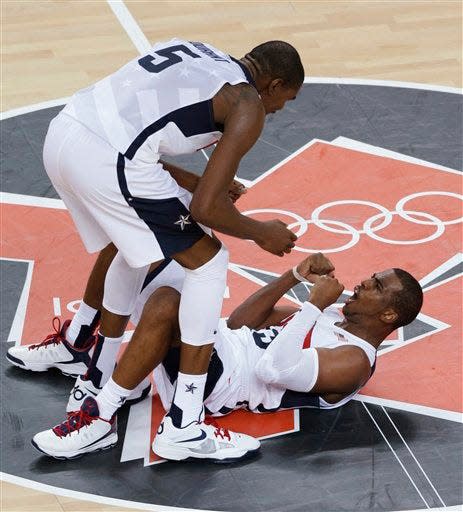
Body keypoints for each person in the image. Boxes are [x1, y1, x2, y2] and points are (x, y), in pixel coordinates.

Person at [9, 39, 303, 458]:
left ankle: (93, 369)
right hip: (110, 161)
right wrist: (260, 232)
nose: (279, 110)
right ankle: (184, 423)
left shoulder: (198, 51)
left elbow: (134, 131)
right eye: (284, 100)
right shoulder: (247, 104)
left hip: (64, 135)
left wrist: (188, 181)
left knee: (135, 245)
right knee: (209, 261)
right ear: (272, 84)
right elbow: (209, 207)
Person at [30, 253, 423, 461]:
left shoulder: (356, 361)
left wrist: (311, 309)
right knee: (149, 257)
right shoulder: (334, 318)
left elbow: (274, 368)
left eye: (376, 286)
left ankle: (101, 413)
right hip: (216, 349)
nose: (362, 283)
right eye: (371, 277)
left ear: (389, 315)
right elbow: (241, 322)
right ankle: (104, 371)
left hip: (218, 383)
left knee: (168, 300)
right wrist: (293, 277)